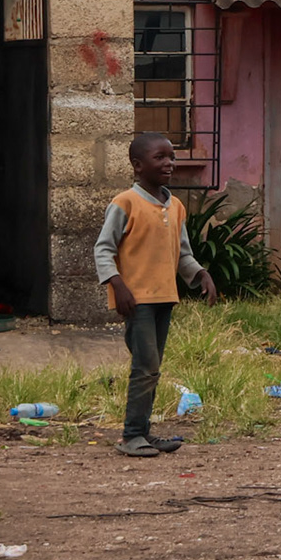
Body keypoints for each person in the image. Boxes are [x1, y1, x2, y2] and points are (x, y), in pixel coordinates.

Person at [94, 132, 219, 458]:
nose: (169, 163)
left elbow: (183, 253)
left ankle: (143, 432)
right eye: (159, 157)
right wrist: (117, 285)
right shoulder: (125, 203)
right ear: (138, 166)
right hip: (136, 300)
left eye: (172, 157)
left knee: (152, 367)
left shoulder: (175, 207)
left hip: (165, 297)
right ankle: (131, 435)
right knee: (145, 366)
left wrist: (201, 274)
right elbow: (103, 249)